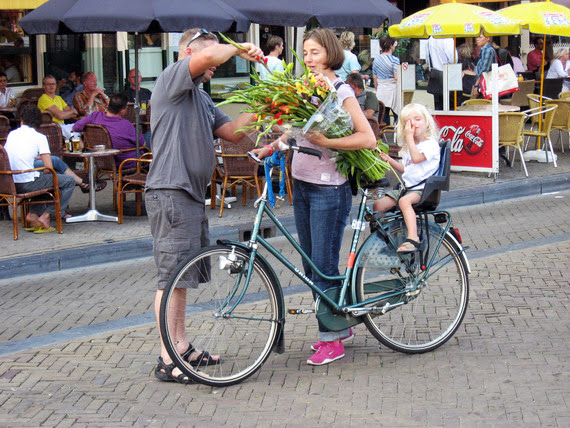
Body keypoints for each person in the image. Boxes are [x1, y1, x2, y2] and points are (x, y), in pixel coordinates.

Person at [145, 28, 263, 384]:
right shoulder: (171, 79)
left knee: (182, 276)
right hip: (171, 190)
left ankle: (181, 346)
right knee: (171, 278)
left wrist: (271, 107)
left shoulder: (200, 98)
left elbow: (236, 133)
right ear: (189, 54)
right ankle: (169, 359)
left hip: (192, 195)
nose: (216, 64)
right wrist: (240, 49)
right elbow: (211, 57)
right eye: (210, 56)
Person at [253, 28, 376, 366]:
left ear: (330, 54)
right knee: (311, 265)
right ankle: (340, 326)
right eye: (305, 53)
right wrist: (271, 146)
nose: (308, 59)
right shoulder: (305, 90)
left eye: (315, 53)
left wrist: (329, 143)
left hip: (328, 188)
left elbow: (367, 139)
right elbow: (299, 133)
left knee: (322, 264)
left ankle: (331, 339)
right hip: (302, 185)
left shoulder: (341, 91)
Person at [372, 103, 440, 252]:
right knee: (378, 205)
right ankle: (388, 240)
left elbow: (416, 159)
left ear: (427, 122)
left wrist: (409, 138)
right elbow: (406, 169)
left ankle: (413, 238)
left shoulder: (430, 144)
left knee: (404, 201)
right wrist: (390, 160)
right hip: (408, 188)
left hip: (423, 189)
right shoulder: (410, 147)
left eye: (417, 119)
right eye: (409, 122)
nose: (413, 124)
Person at [4, 105, 75, 232]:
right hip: (26, 183)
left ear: (21, 120)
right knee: (68, 181)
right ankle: (47, 216)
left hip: (9, 183)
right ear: (39, 122)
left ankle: (33, 215)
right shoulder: (40, 137)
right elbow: (49, 167)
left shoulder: (11, 135)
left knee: (44, 181)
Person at [72, 93, 146, 169]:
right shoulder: (126, 125)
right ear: (122, 111)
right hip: (126, 163)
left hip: (100, 161)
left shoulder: (94, 116)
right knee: (149, 136)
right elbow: (143, 144)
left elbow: (75, 127)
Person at [37, 75, 78, 140]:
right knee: (76, 132)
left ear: (56, 85)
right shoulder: (43, 99)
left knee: (81, 127)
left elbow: (75, 113)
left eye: (53, 84)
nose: (51, 86)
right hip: (52, 128)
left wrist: (66, 112)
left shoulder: (58, 98)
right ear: (44, 86)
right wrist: (68, 112)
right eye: (48, 84)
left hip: (62, 127)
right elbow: (60, 116)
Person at [373, 34, 400, 125]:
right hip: (393, 90)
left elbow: (375, 77)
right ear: (391, 45)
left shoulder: (376, 60)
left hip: (381, 90)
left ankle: (382, 135)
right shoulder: (394, 60)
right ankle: (396, 135)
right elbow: (396, 77)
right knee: (397, 115)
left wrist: (377, 88)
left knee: (383, 116)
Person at [425, 36, 456, 110]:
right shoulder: (448, 39)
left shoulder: (429, 40)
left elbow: (427, 60)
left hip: (434, 74)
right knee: (450, 106)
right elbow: (453, 59)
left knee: (437, 106)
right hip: (446, 73)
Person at [473, 33, 495, 99]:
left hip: (487, 86)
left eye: (480, 37)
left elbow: (484, 70)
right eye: (477, 37)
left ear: (488, 38)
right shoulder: (484, 50)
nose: (477, 39)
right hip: (487, 85)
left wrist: (476, 85)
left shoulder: (487, 50)